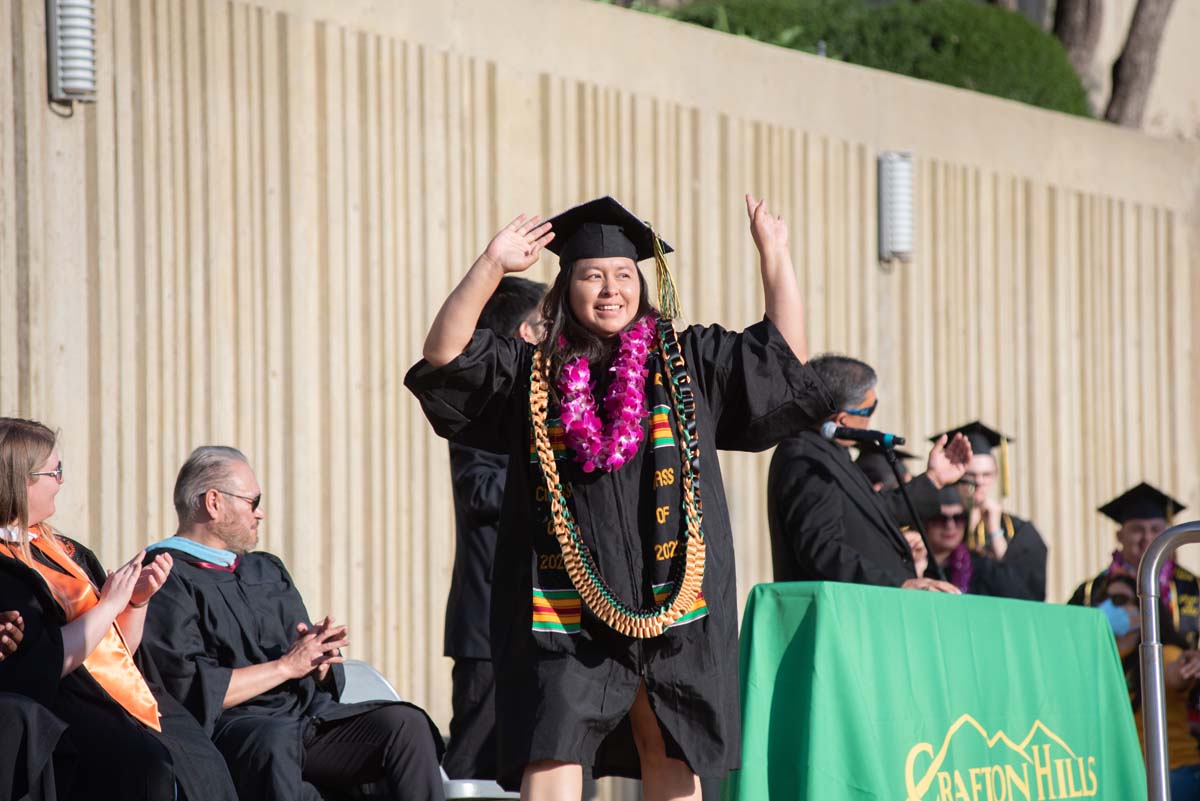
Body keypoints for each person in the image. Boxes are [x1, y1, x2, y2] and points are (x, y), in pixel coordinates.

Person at [406, 194, 836, 800]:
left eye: (624, 275)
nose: (611, 289)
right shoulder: (531, 375)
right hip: (562, 613)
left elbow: (780, 360)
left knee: (671, 750)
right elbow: (445, 355)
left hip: (675, 603)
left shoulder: (689, 363)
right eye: (592, 275)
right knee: (551, 752)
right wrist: (491, 265)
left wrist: (775, 255)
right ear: (565, 288)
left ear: (642, 282)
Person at [140, 446, 445, 801]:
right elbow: (188, 688)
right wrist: (286, 666)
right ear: (213, 503)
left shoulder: (265, 569)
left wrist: (318, 659)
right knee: (278, 746)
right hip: (236, 730)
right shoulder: (163, 577)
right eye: (253, 501)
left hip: (303, 718)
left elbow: (306, 664)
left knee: (405, 725)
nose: (261, 513)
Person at [0, 417, 238, 801]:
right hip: (69, 703)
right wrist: (109, 604)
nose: (61, 480)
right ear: (18, 480)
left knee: (202, 760)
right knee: (147, 768)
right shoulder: (5, 568)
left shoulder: (66, 550)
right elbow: (40, 664)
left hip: (127, 696)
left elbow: (117, 648)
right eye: (54, 471)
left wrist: (135, 601)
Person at [443, 275, 546, 781]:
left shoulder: (558, 402)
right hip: (488, 623)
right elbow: (479, 490)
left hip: (550, 620)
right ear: (526, 333)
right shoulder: (481, 404)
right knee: (474, 760)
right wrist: (549, 470)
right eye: (549, 323)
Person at [767, 354, 970, 591]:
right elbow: (821, 548)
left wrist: (934, 479)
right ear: (842, 421)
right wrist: (899, 584)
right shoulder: (806, 460)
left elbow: (874, 513)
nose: (871, 420)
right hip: (841, 617)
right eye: (869, 410)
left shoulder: (830, 453)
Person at [1068, 482, 1200, 795]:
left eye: (1156, 529)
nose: (1146, 539)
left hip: (1179, 743)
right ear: (1120, 535)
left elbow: (1173, 670)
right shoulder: (1093, 590)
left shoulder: (1192, 588)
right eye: (1137, 529)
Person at [931, 421, 1047, 600]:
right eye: (970, 476)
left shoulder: (1018, 531)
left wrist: (994, 532)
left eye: (986, 475)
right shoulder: (940, 524)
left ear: (995, 475)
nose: (979, 482)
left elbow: (1026, 591)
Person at [922, 485, 1043, 597]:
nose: (950, 526)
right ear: (925, 523)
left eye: (958, 518)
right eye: (940, 519)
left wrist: (994, 531)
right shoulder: (910, 563)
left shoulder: (980, 566)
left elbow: (1019, 596)